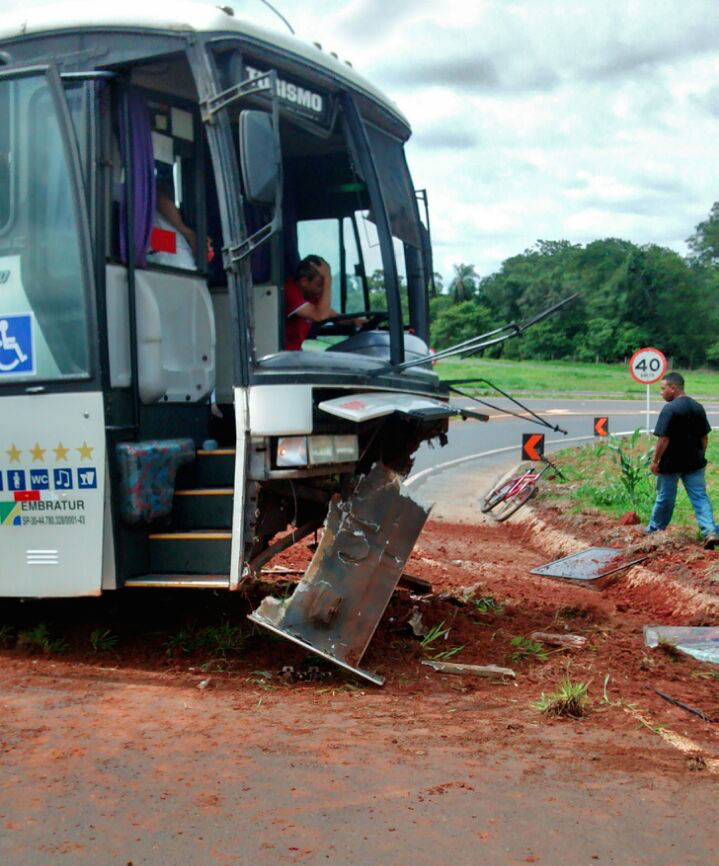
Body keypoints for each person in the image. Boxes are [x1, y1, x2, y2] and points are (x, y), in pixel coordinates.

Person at [644, 372, 718, 548]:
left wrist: (655, 461)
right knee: (700, 497)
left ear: (673, 388)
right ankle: (710, 531)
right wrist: (699, 455)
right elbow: (704, 438)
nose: (661, 393)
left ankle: (655, 530)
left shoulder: (670, 409)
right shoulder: (698, 407)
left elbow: (663, 439)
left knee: (665, 497)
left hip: (671, 463)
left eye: (663, 389)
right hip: (694, 463)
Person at [284, 255, 336, 350]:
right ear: (304, 281)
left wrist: (354, 321)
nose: (323, 289)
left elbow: (331, 314)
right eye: (320, 285)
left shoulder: (309, 295)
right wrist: (328, 279)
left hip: (296, 352)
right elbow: (320, 316)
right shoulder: (289, 290)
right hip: (282, 355)